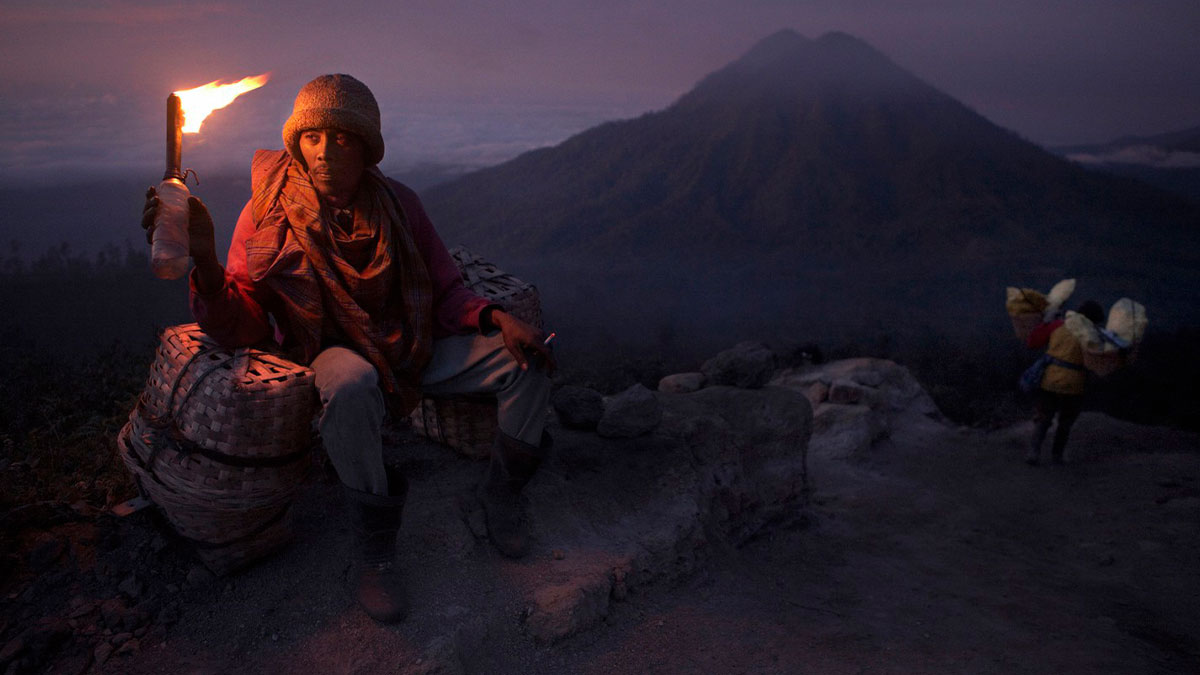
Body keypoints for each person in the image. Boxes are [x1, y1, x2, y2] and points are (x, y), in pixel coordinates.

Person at [140, 74, 555, 623]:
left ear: (366, 148)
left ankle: (503, 494)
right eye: (313, 138)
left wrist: (497, 319)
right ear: (298, 143)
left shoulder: (399, 204)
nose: (326, 152)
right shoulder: (268, 212)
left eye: (342, 138)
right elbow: (240, 321)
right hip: (329, 350)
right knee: (354, 386)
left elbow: (445, 290)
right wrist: (208, 263)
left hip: (408, 344)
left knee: (527, 364)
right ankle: (376, 555)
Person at [1024, 299, 1105, 466]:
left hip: (1049, 380)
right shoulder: (1093, 335)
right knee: (1065, 422)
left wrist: (1046, 323)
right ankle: (1057, 456)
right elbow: (1098, 363)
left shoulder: (1058, 325)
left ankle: (1034, 452)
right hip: (1075, 384)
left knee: (1043, 418)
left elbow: (1032, 342)